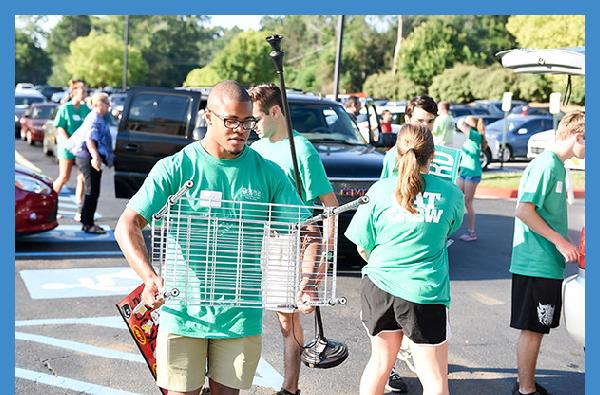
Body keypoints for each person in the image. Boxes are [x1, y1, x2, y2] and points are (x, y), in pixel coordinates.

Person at [114, 80, 316, 395]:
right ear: (208, 117)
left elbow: (307, 231)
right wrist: (149, 276)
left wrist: (308, 281)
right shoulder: (177, 167)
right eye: (230, 121)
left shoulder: (267, 172)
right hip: (183, 315)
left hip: (239, 317)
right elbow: (128, 224)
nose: (240, 129)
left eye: (247, 121)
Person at [345, 123, 464, 395]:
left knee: (379, 365)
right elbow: (450, 227)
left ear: (396, 154)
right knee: (434, 377)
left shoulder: (379, 191)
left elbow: (363, 247)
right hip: (424, 293)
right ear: (433, 156)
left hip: (378, 287)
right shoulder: (450, 193)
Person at [248, 83, 339, 395]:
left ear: (275, 112)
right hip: (257, 240)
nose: (252, 127)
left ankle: (290, 388)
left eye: (256, 119)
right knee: (250, 313)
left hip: (294, 239)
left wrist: (324, 257)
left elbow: (329, 205)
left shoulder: (301, 150)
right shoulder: (254, 150)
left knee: (288, 321)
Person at [510, 110, 585, 395]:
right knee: (533, 328)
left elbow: (542, 214)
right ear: (578, 137)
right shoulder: (547, 165)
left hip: (544, 264)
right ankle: (525, 390)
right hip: (534, 262)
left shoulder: (555, 166)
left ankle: (525, 383)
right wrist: (560, 242)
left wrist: (562, 239)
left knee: (537, 328)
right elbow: (524, 211)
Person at [377, 94, 438, 393]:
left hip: (425, 245)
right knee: (389, 325)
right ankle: (388, 370)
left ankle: (408, 358)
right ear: (407, 120)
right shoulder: (395, 157)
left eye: (429, 122)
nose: (424, 126)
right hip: (399, 245)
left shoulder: (435, 155)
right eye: (418, 121)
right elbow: (387, 200)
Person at [68, 92, 113, 234]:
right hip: (88, 157)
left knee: (92, 189)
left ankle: (86, 221)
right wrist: (95, 157)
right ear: (99, 104)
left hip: (87, 157)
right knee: (92, 190)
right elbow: (90, 139)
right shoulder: (95, 119)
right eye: (107, 103)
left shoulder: (98, 117)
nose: (109, 106)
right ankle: (88, 224)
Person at [52, 80, 90, 220]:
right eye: (83, 92)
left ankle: (79, 210)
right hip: (67, 148)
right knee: (64, 177)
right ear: (74, 92)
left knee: (81, 178)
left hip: (81, 149)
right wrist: (69, 142)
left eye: (86, 91)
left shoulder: (86, 109)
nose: (85, 94)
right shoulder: (65, 108)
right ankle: (51, 206)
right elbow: (60, 127)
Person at [455, 115, 487, 242]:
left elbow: (460, 124)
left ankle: (471, 232)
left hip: (472, 173)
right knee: (455, 197)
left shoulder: (475, 135)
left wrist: (465, 122)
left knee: (468, 202)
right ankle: (447, 229)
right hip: (463, 171)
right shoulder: (471, 137)